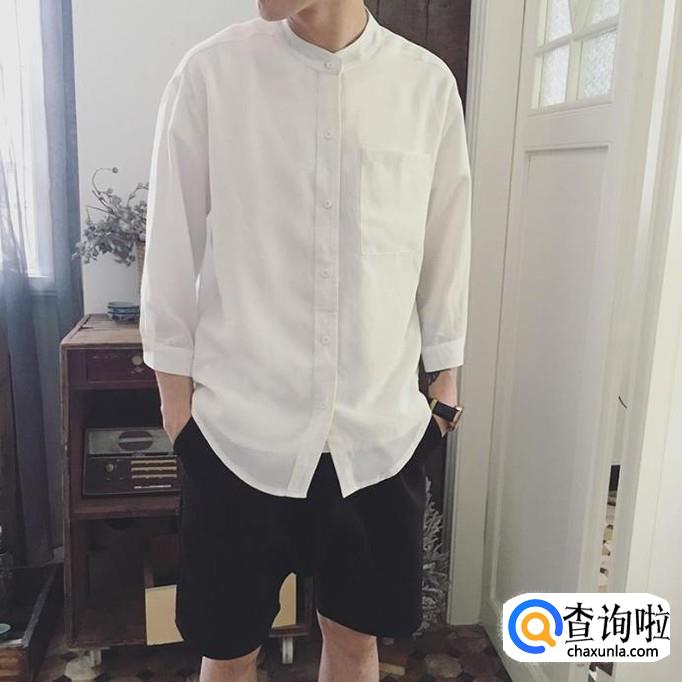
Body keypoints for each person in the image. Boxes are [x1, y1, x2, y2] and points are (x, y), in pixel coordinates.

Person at [139, 0, 471, 680]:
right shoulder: (211, 75)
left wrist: (445, 390)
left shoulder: (424, 85)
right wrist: (177, 410)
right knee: (228, 652)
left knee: (355, 644)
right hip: (237, 436)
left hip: (377, 441)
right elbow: (170, 242)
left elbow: (446, 239)